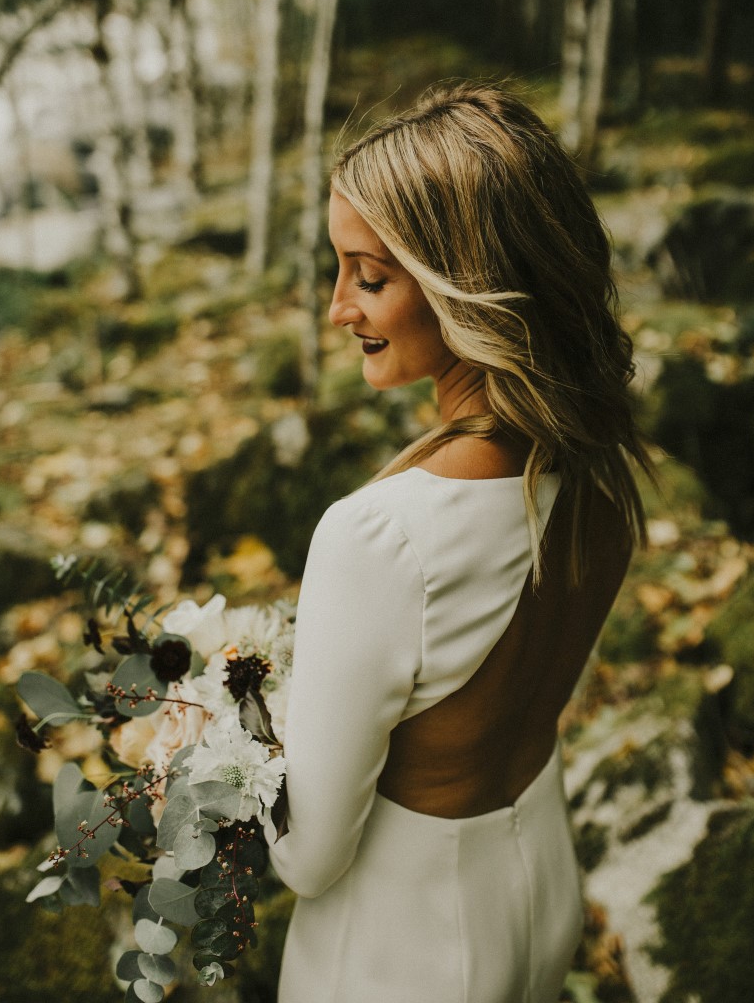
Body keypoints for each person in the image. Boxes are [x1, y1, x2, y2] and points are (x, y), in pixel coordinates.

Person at [265, 83, 649, 1003]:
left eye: (369, 275)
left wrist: (212, 737)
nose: (337, 310)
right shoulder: (602, 483)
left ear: (463, 280)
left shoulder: (380, 536)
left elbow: (310, 859)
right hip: (537, 896)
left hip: (398, 951)